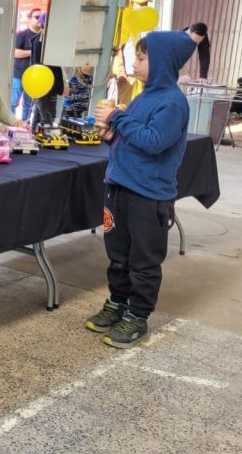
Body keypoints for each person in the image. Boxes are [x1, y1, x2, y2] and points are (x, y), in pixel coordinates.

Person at [85, 31, 197, 349]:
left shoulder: (172, 102)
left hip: (148, 194)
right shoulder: (142, 95)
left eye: (141, 58)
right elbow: (133, 137)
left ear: (161, 62)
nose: (134, 63)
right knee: (118, 254)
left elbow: (154, 141)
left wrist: (118, 118)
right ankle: (118, 302)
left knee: (143, 260)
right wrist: (112, 135)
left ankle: (137, 316)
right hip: (120, 186)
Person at [11, 8, 43, 120]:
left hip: (33, 77)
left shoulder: (43, 37)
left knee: (29, 106)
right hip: (18, 75)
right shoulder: (22, 35)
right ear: (29, 19)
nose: (40, 20)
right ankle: (11, 125)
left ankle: (24, 126)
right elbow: (15, 53)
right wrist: (33, 51)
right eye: (37, 17)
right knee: (12, 103)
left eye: (42, 17)